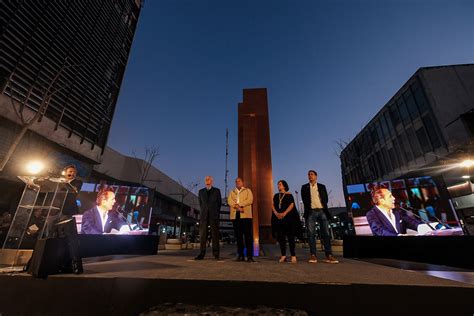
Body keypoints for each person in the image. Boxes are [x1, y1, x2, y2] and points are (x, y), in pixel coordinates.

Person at [301, 170, 339, 264]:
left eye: (312, 174)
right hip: (311, 212)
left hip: (322, 211)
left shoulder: (322, 186)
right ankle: (313, 255)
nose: (310, 176)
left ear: (316, 176)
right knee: (311, 234)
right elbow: (304, 200)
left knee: (326, 234)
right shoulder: (304, 187)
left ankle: (329, 255)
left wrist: (322, 206)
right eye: (309, 175)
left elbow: (325, 198)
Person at [271, 180, 302, 263]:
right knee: (281, 238)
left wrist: (284, 213)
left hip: (288, 219)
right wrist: (276, 213)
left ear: (284, 186)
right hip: (278, 218)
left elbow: (292, 205)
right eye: (278, 184)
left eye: (280, 184)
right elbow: (272, 204)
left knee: (290, 237)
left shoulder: (289, 195)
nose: (278, 186)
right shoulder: (276, 195)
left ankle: (293, 255)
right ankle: (283, 255)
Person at [195, 176, 222, 260]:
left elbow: (219, 203)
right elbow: (201, 204)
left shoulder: (217, 191)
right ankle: (201, 254)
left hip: (214, 216)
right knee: (203, 235)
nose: (207, 180)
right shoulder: (201, 191)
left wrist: (215, 212)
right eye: (206, 179)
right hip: (204, 216)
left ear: (212, 181)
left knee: (215, 235)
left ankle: (216, 254)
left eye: (209, 179)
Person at [228, 177, 254, 262]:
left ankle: (249, 256)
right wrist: (237, 207)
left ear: (242, 182)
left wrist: (239, 205)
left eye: (239, 181)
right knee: (238, 237)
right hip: (235, 216)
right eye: (236, 181)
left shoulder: (247, 190)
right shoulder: (232, 192)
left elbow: (250, 200)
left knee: (248, 237)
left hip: (246, 216)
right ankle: (241, 255)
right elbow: (229, 201)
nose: (237, 182)